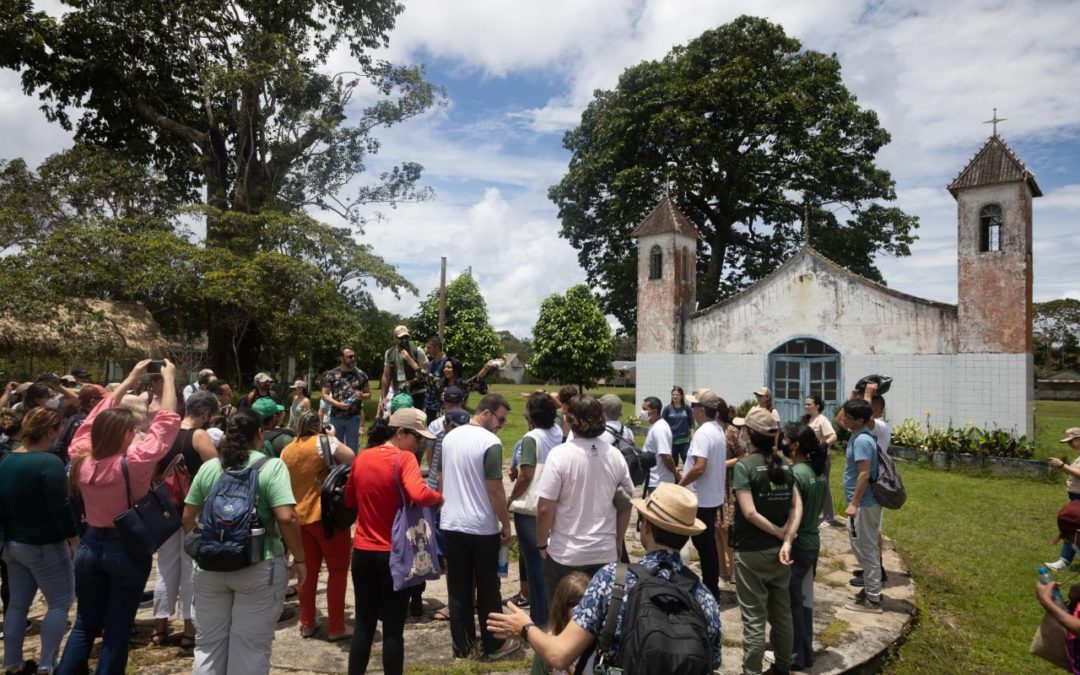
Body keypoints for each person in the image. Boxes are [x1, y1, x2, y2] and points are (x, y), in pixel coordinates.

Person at [487, 482, 723, 673]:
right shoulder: (703, 596)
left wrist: (525, 627)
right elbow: (711, 662)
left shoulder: (613, 579)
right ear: (686, 536)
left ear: (646, 527)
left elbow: (559, 655)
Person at [57, 359, 181, 675]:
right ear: (125, 434)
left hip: (89, 545)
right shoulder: (135, 460)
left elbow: (89, 425)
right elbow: (166, 423)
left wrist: (127, 381)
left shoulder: (81, 459)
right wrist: (168, 380)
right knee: (116, 628)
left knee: (85, 623)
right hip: (124, 546)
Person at [344, 408, 443, 675]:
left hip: (363, 552)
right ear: (400, 432)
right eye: (417, 437)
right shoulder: (404, 459)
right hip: (395, 554)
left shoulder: (361, 458)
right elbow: (419, 494)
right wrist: (439, 498)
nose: (420, 444)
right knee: (393, 630)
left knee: (364, 625)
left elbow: (350, 501)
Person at [437, 393, 519, 661]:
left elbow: (440, 478)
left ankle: (463, 648)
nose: (501, 426)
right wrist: (505, 523)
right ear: (486, 413)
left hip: (451, 524)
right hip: (482, 527)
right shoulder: (490, 442)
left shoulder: (449, 437)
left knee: (458, 589)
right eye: (501, 419)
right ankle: (494, 645)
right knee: (488, 589)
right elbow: (495, 487)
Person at [0, 408, 78, 675]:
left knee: (17, 604)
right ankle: (47, 664)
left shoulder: (7, 461)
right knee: (59, 602)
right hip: (44, 543)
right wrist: (73, 537)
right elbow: (61, 505)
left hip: (13, 543)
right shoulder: (49, 462)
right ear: (49, 431)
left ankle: (11, 662)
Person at [536, 395, 634, 605]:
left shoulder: (559, 455)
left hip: (565, 554)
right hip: (604, 551)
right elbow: (626, 503)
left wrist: (542, 544)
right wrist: (618, 541)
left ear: (570, 420)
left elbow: (544, 508)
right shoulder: (615, 455)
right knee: (599, 621)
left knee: (562, 620)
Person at [731, 408, 800, 675]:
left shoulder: (744, 467)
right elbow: (796, 507)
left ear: (748, 435)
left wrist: (779, 534)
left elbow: (749, 513)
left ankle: (752, 671)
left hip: (751, 552)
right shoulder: (786, 465)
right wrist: (786, 539)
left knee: (753, 618)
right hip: (780, 554)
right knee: (782, 615)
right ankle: (783, 667)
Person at [151, 390, 220, 649]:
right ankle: (189, 631)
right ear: (204, 414)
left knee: (165, 569)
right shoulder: (198, 435)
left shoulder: (166, 432)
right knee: (191, 571)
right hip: (193, 511)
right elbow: (216, 470)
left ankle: (159, 630)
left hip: (166, 511)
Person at [281, 410, 356, 642]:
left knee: (307, 573)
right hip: (326, 518)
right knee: (338, 571)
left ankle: (307, 623)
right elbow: (353, 457)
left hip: (299, 519)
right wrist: (331, 436)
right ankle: (336, 626)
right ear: (319, 426)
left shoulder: (287, 450)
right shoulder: (326, 442)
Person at [507, 392, 563, 628]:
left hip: (530, 509)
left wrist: (511, 498)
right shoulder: (559, 432)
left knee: (534, 565)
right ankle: (554, 613)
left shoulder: (531, 438)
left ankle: (540, 620)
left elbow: (526, 474)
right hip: (555, 503)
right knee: (550, 563)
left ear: (530, 416)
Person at [781, 422, 828, 671]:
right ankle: (805, 651)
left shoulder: (796, 473)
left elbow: (792, 514)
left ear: (796, 445)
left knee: (793, 604)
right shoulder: (815, 471)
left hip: (798, 545)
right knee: (804, 602)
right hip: (812, 543)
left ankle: (796, 654)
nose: (782, 442)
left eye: (786, 438)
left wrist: (785, 539)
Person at [678, 388, 728, 600]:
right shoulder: (717, 430)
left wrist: (681, 484)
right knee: (707, 546)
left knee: (696, 544)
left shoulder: (703, 433)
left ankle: (708, 589)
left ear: (701, 410)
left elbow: (699, 467)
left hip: (699, 498)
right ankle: (711, 587)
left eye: (694, 406)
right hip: (712, 497)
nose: (692, 410)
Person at [838, 398, 884, 613]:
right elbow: (839, 418)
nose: (843, 418)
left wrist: (853, 503)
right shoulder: (858, 435)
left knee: (866, 550)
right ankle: (870, 589)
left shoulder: (862, 441)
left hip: (864, 504)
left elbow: (864, 474)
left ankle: (873, 600)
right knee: (865, 547)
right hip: (863, 503)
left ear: (860, 420)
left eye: (848, 416)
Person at [718, 408, 747, 585]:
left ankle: (735, 571)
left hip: (727, 484)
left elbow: (743, 455)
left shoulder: (731, 431)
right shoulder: (703, 430)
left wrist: (722, 465)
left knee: (727, 528)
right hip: (713, 485)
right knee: (715, 528)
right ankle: (722, 568)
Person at [322, 347, 371, 450]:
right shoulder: (331, 374)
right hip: (336, 417)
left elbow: (369, 394)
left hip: (353, 418)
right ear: (341, 358)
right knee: (335, 449)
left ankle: (351, 466)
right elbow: (324, 395)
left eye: (354, 356)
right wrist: (338, 404)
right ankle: (338, 467)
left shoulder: (361, 375)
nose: (353, 358)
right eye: (349, 356)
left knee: (352, 450)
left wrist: (362, 396)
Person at [804, 394, 841, 529]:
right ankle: (815, 513)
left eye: (809, 404)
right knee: (812, 486)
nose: (806, 406)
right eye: (805, 404)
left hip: (821, 459)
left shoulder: (822, 420)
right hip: (809, 458)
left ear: (817, 406)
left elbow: (833, 436)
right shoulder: (808, 420)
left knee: (823, 486)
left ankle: (829, 517)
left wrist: (823, 446)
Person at [1047, 428, 1080, 571]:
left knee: (1072, 529)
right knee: (1072, 529)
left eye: (1071, 441)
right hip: (1075, 497)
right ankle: (1064, 561)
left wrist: (1062, 465)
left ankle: (1064, 562)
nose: (1070, 444)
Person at [379, 326, 428, 414]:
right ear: (395, 338)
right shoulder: (389, 353)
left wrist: (411, 381)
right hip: (398, 394)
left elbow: (426, 373)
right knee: (398, 422)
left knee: (415, 422)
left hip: (417, 393)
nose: (404, 340)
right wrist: (383, 397)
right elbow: (386, 377)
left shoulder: (417, 351)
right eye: (401, 338)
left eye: (406, 337)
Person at [643, 395, 677, 492]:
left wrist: (675, 473)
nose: (642, 412)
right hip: (654, 480)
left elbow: (666, 456)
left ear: (655, 411)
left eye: (645, 409)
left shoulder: (659, 429)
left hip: (659, 483)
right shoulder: (655, 426)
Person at [662, 386, 692, 467]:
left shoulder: (687, 408)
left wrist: (693, 436)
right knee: (673, 464)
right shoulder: (667, 409)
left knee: (688, 462)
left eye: (677, 394)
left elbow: (691, 423)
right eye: (673, 394)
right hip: (672, 441)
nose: (675, 396)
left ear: (681, 396)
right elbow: (662, 425)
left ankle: (687, 479)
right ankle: (675, 479)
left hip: (684, 441)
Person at [423, 336, 449, 422]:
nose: (427, 350)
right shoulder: (430, 364)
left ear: (437, 347)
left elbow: (441, 383)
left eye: (429, 347)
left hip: (440, 407)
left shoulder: (447, 364)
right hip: (429, 405)